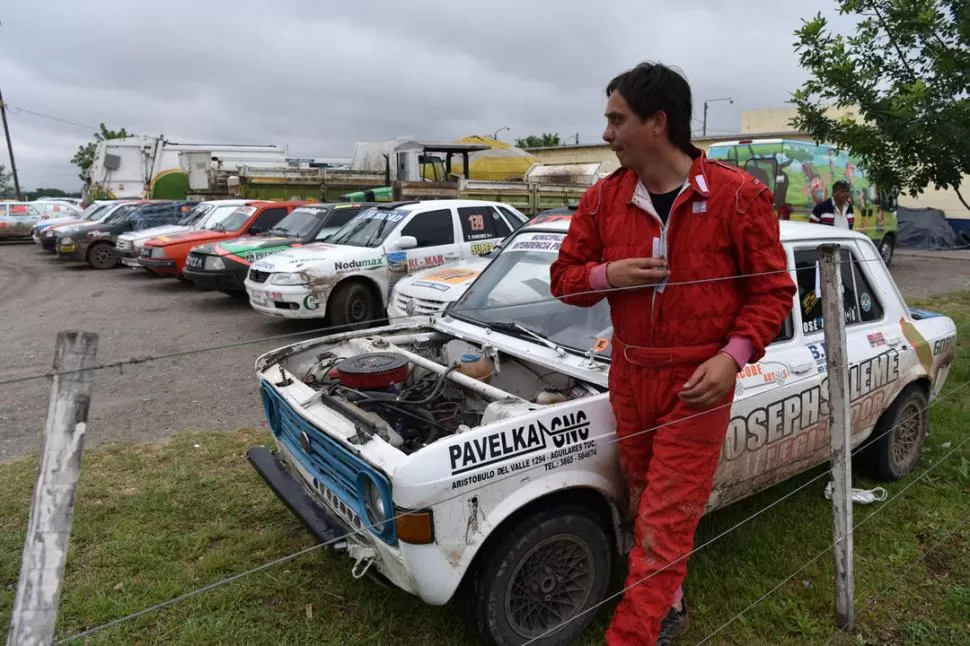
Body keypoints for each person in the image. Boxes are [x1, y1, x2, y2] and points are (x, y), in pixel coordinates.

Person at [549, 61, 797, 645]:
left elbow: (773, 290)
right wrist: (611, 274)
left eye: (616, 119)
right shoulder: (603, 199)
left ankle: (637, 630)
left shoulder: (739, 196)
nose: (606, 132)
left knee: (665, 516)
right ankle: (668, 591)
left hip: (698, 381)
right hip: (629, 373)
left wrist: (733, 356)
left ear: (657, 122)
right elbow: (563, 279)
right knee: (641, 490)